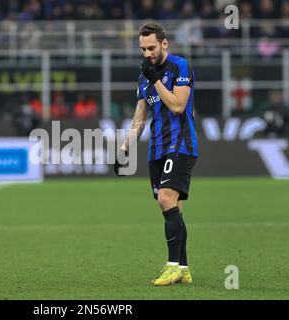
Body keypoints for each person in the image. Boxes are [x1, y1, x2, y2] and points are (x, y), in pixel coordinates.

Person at [114, 22, 198, 286]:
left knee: (165, 199)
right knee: (174, 207)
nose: (147, 53)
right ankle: (183, 269)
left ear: (164, 43)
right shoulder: (143, 76)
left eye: (151, 47)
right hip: (157, 149)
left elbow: (177, 105)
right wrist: (124, 148)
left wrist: (155, 79)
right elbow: (140, 118)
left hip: (181, 144)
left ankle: (171, 266)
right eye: (142, 49)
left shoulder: (179, 67)